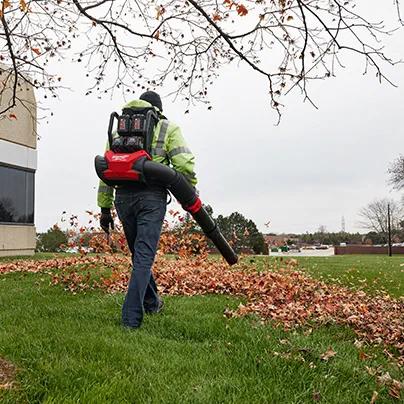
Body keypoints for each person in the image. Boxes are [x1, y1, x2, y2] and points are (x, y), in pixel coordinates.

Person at [97, 91, 198, 329]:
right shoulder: (167, 128)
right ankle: (130, 319)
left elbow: (106, 169)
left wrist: (104, 208)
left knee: (138, 254)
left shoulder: (118, 130)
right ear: (158, 109)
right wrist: (189, 190)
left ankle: (152, 303)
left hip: (122, 197)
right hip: (151, 198)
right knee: (144, 256)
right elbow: (184, 164)